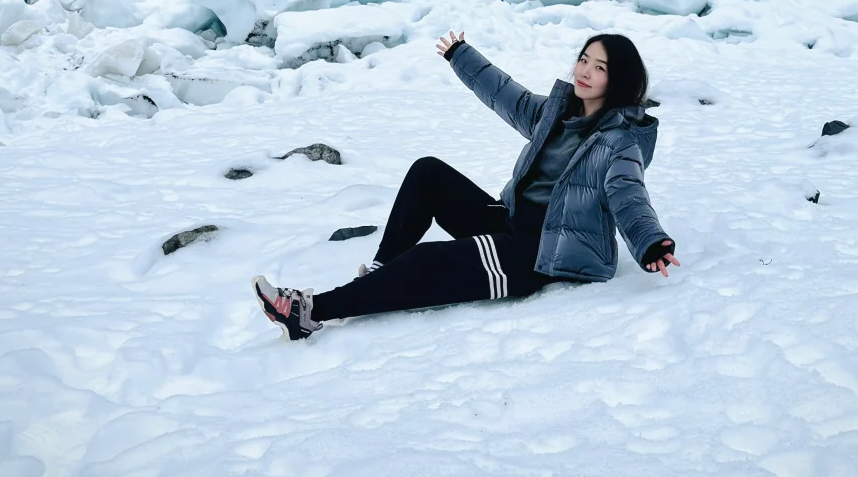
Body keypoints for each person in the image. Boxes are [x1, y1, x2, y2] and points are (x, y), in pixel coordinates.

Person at [252, 31, 678, 340]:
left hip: (545, 251)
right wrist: (461, 55)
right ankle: (382, 272)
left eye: (599, 67)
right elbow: (508, 97)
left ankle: (309, 312)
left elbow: (629, 196)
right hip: (511, 221)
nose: (585, 71)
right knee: (428, 172)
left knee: (430, 261)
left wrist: (650, 242)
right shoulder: (559, 113)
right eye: (584, 59)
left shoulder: (619, 141)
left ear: (617, 80)